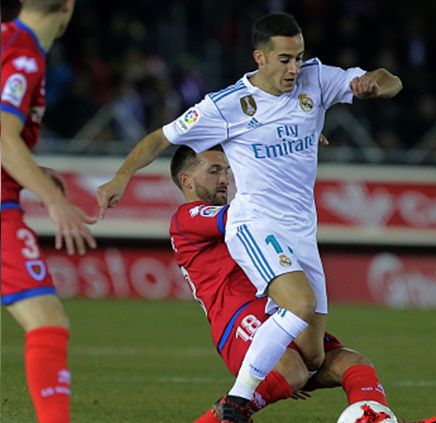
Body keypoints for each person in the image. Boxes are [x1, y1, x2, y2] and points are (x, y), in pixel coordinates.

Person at [96, 11, 402, 409]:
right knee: (300, 305)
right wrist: (121, 177)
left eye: (299, 56)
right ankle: (237, 402)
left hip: (301, 232)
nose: (295, 68)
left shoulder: (317, 79)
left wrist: (373, 83)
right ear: (259, 57)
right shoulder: (227, 106)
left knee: (312, 357)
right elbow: (160, 137)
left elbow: (391, 81)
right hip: (256, 223)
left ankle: (370, 415)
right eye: (285, 59)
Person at [168, 145, 436, 423]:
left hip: (280, 311)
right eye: (214, 171)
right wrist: (286, 154)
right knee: (292, 372)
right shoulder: (187, 218)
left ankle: (379, 421)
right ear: (186, 180)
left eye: (227, 170)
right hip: (238, 320)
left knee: (354, 365)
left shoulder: (238, 217)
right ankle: (223, 413)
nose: (225, 179)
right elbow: (239, 215)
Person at [1, 1, 98, 422]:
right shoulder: (23, 55)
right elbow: (3, 137)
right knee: (47, 321)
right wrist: (54, 200)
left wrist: (30, 169)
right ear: (69, 6)